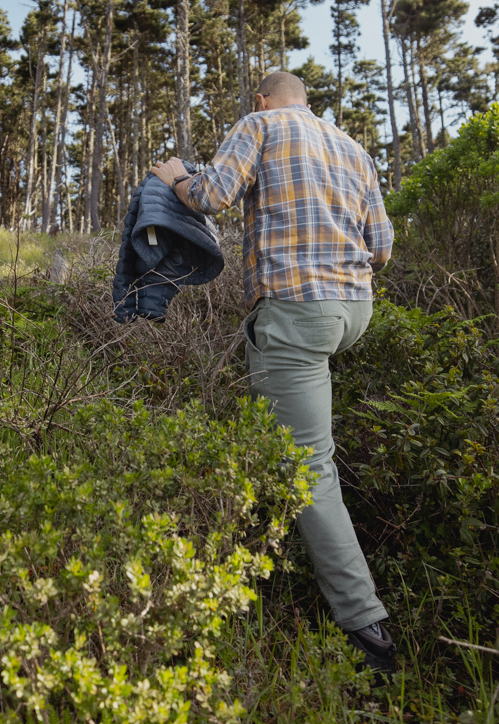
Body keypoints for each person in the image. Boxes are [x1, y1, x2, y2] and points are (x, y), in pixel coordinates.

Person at [149, 71, 397, 672]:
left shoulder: (258, 125)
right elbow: (383, 247)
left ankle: (367, 630)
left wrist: (174, 177)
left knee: (310, 468)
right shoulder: (352, 146)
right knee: (306, 440)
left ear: (262, 100)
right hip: (353, 311)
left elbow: (211, 195)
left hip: (295, 309)